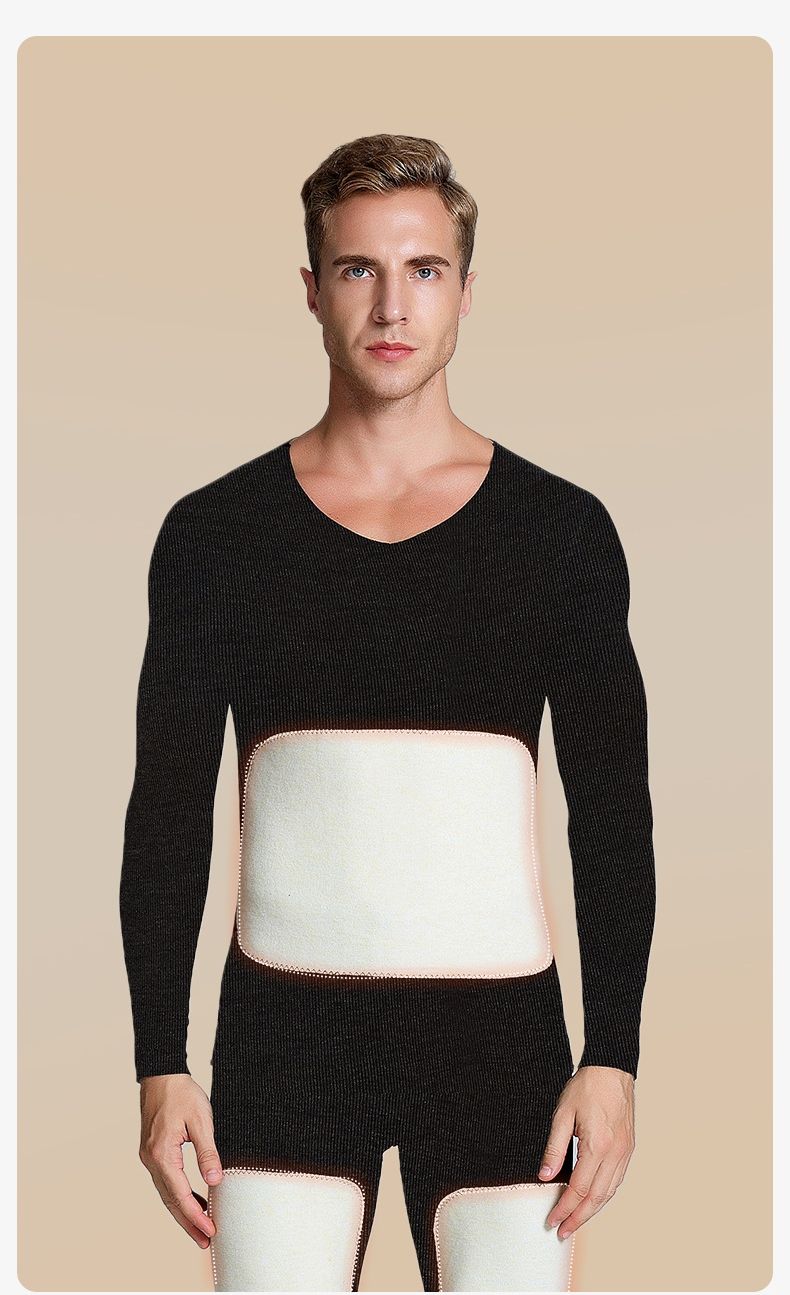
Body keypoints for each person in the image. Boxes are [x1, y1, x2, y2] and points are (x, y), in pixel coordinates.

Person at [119, 132, 656, 1292]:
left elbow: (612, 809)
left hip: (502, 1051)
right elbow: (166, 806)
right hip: (284, 1047)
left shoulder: (559, 534)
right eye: (358, 269)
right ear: (312, 289)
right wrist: (160, 1057)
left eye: (424, 269)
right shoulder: (216, 536)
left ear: (465, 288)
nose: (391, 305)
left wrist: (612, 1053)